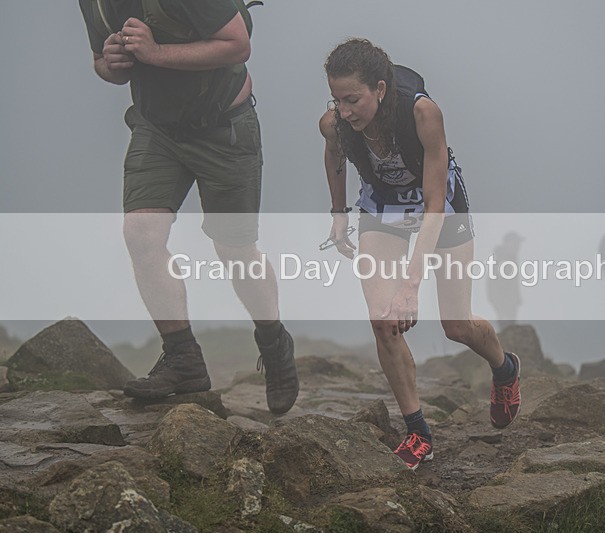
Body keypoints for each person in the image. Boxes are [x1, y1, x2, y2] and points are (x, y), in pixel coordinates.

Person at [78, 0, 298, 413]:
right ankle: (183, 359)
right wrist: (111, 62)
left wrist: (155, 53)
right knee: (141, 235)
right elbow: (100, 62)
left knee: (235, 251)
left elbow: (237, 44)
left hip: (224, 127)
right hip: (157, 129)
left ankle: (273, 342)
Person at [318, 38, 521, 470]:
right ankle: (418, 432)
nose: (345, 111)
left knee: (457, 326)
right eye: (336, 99)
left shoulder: (423, 114)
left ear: (380, 89)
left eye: (353, 99)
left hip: (439, 206)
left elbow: (433, 207)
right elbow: (333, 155)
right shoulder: (334, 122)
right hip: (383, 207)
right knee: (383, 319)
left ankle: (504, 369)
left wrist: (411, 285)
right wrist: (338, 214)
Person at [487, 232, 525, 328]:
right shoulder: (502, 259)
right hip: (505, 304)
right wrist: (504, 303)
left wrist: (516, 297)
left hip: (508, 302)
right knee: (507, 328)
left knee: (509, 329)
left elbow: (511, 282)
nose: (518, 246)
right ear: (508, 244)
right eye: (515, 243)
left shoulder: (508, 258)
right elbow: (498, 284)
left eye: (518, 244)